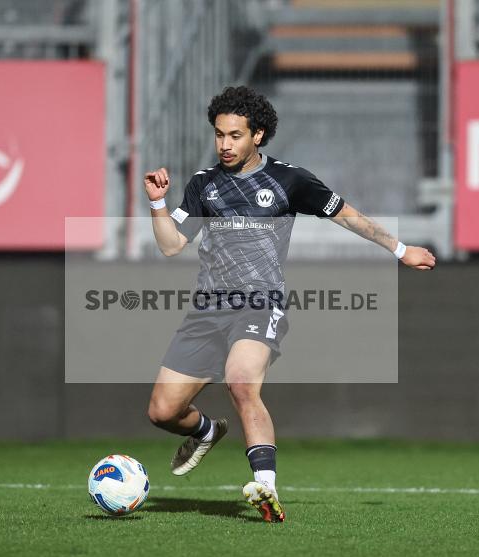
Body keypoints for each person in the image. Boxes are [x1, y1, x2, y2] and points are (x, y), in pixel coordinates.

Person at [143, 86, 435, 523]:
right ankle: (206, 431)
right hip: (207, 311)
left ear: (258, 135)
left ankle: (266, 488)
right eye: (219, 135)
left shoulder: (290, 180)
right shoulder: (203, 185)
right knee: (162, 412)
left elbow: (347, 215)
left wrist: (400, 249)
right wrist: (157, 203)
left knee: (241, 383)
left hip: (260, 304)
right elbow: (170, 246)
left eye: (235, 135)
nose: (225, 144)